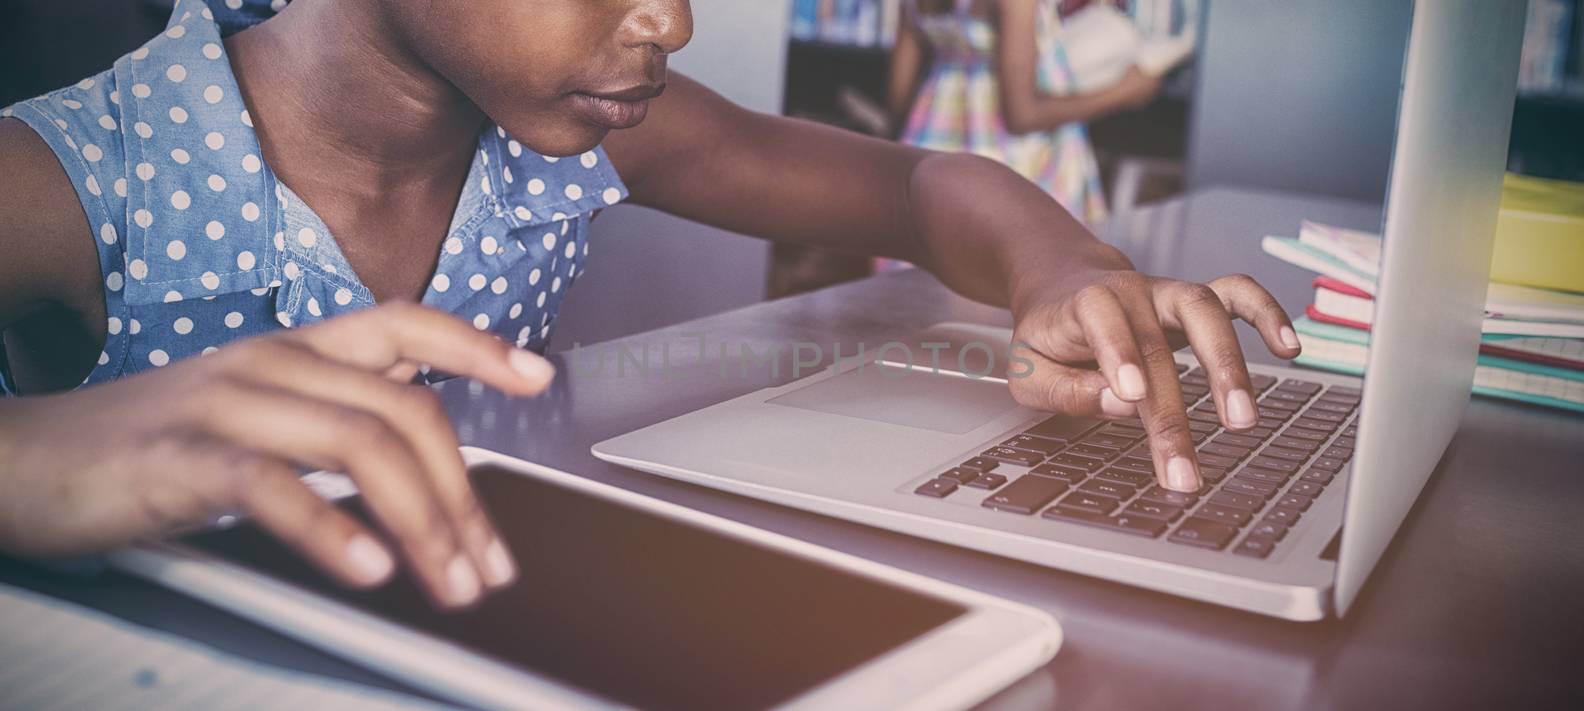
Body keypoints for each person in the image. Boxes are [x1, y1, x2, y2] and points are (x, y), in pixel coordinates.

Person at [0, 0, 1300, 609]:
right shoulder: (73, 175)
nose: (670, 20)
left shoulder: (588, 130)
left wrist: (1062, 268)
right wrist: (29, 457)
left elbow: (915, 182)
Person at [889, 0, 1164, 222]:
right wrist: (1125, 91)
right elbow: (1023, 116)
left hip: (931, 147)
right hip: (1014, 163)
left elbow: (899, 97)